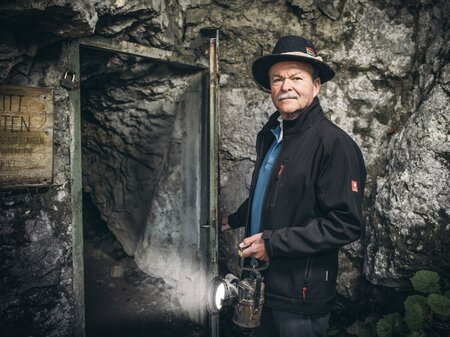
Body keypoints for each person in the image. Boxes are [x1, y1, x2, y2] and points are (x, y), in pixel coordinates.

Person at [221, 35, 367, 337]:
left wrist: (272, 244)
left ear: (316, 86)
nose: (285, 86)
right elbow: (272, 192)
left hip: (300, 293)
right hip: (260, 281)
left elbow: (346, 224)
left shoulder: (334, 145)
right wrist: (235, 219)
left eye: (296, 77)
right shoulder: (272, 134)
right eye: (277, 79)